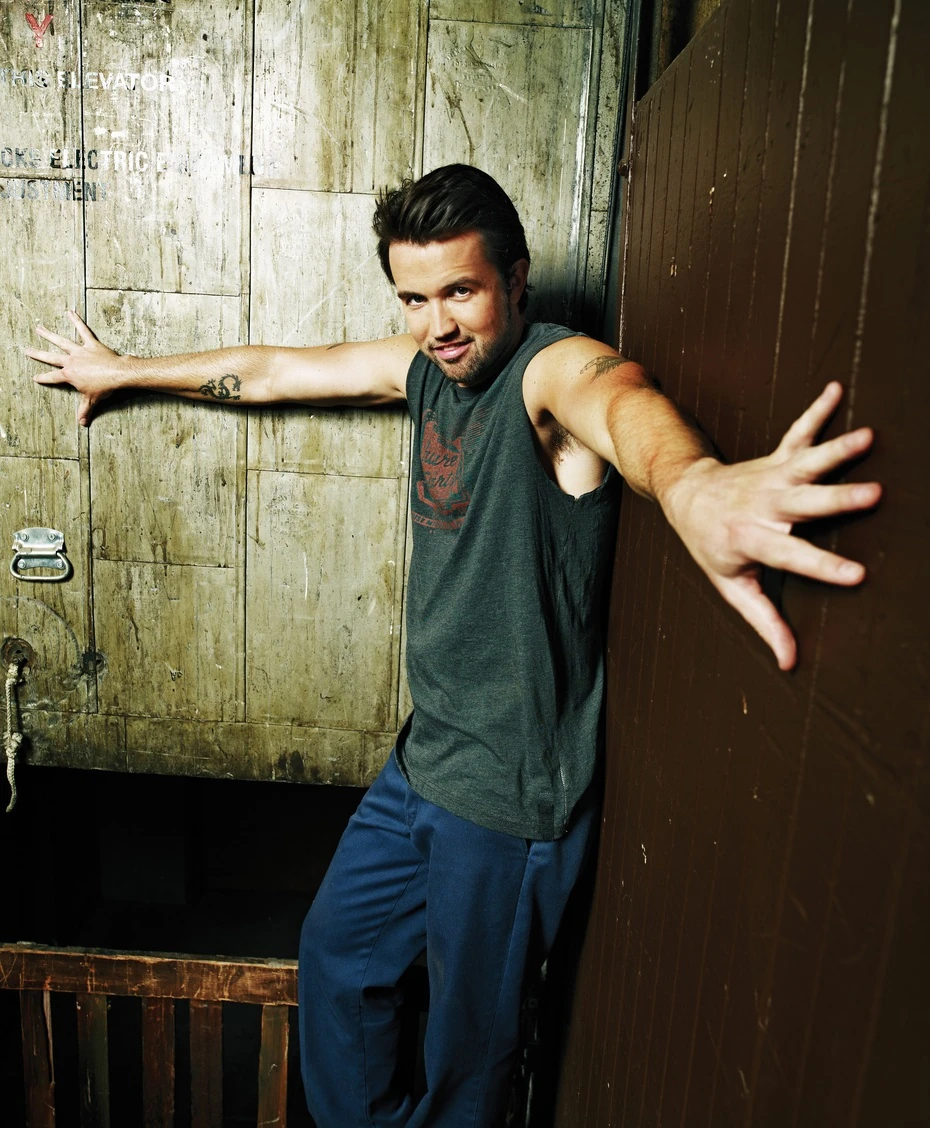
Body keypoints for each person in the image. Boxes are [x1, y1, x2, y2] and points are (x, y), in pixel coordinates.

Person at [28, 164, 881, 1126]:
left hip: (508, 797)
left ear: (515, 280)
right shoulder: (427, 368)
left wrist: (693, 486)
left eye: (461, 292)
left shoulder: (548, 373)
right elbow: (273, 372)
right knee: (338, 962)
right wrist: (121, 371)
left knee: (469, 1062)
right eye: (413, 298)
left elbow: (620, 400)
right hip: (426, 763)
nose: (436, 323)